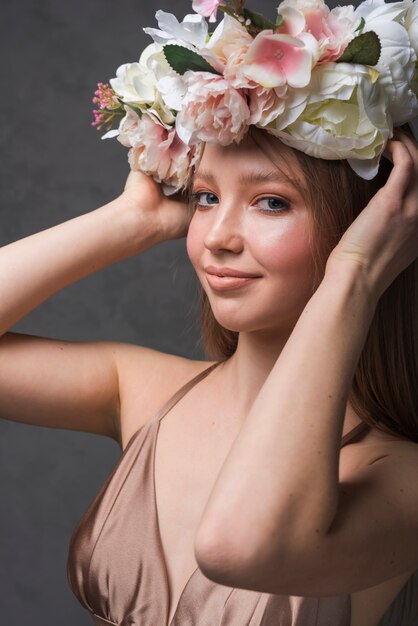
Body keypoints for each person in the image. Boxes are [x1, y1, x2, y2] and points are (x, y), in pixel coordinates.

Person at [2, 0, 418, 624]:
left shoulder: (400, 474)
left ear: (373, 226)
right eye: (205, 197)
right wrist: (132, 221)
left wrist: (355, 276)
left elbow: (239, 547)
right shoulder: (142, 390)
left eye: (271, 203)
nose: (217, 236)